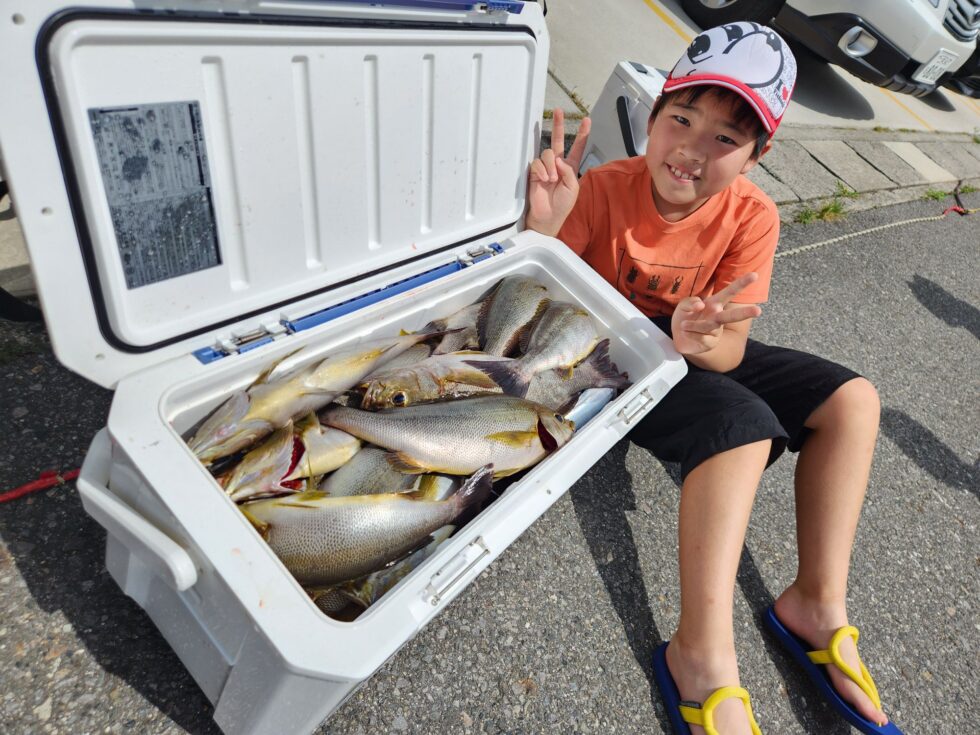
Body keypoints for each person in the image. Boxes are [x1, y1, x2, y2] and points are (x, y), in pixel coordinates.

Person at [526, 22, 900, 735]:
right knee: (742, 430)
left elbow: (730, 350)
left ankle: (816, 601)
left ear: (760, 155)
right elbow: (547, 304)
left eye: (726, 139)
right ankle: (699, 653)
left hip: (693, 347)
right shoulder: (603, 189)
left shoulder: (753, 216)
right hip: (617, 357)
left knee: (853, 400)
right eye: (681, 118)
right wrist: (543, 230)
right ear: (655, 114)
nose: (691, 150)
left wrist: (700, 338)